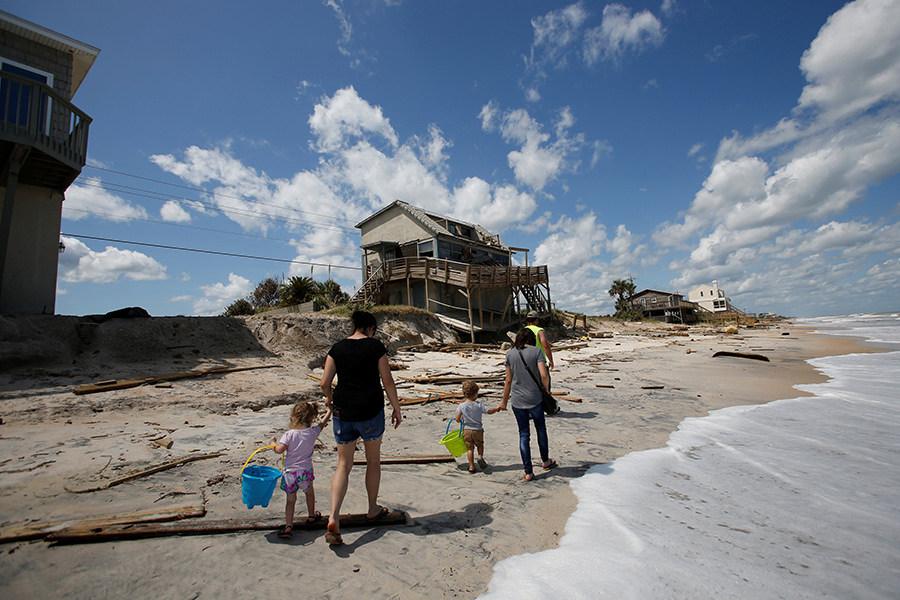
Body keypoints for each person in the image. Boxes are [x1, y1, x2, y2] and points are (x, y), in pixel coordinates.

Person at [320, 310, 403, 546]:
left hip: (343, 411)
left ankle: (334, 516)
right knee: (373, 461)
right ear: (371, 328)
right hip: (370, 410)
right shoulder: (376, 347)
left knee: (343, 465)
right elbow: (387, 381)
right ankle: (372, 508)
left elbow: (325, 382)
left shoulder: (336, 348)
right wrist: (396, 408)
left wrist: (329, 398)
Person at [499, 328, 557, 482]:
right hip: (535, 398)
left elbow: (508, 381)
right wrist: (546, 391)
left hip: (518, 401)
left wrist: (504, 401)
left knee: (524, 434)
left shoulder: (510, 354)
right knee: (541, 429)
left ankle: (528, 472)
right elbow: (544, 374)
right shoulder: (537, 351)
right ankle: (545, 461)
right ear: (531, 339)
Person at [269, 401, 332, 539]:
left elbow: (279, 450)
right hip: (305, 472)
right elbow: (322, 423)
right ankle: (311, 515)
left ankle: (288, 526)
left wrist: (272, 442)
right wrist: (329, 411)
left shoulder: (289, 434)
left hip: (290, 473)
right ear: (310, 418)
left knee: (290, 501)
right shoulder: (312, 432)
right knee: (309, 494)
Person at [454, 381, 501, 473]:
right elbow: (489, 411)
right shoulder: (479, 405)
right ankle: (480, 456)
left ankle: (471, 466)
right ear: (475, 394)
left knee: (469, 448)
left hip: (467, 430)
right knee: (480, 444)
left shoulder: (462, 406)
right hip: (478, 430)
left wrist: (461, 420)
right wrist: (496, 409)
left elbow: (457, 418)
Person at [525, 311, 554, 389]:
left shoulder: (523, 331)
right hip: (539, 363)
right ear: (536, 320)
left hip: (526, 364)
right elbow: (546, 346)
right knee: (545, 389)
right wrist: (550, 360)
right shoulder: (539, 331)